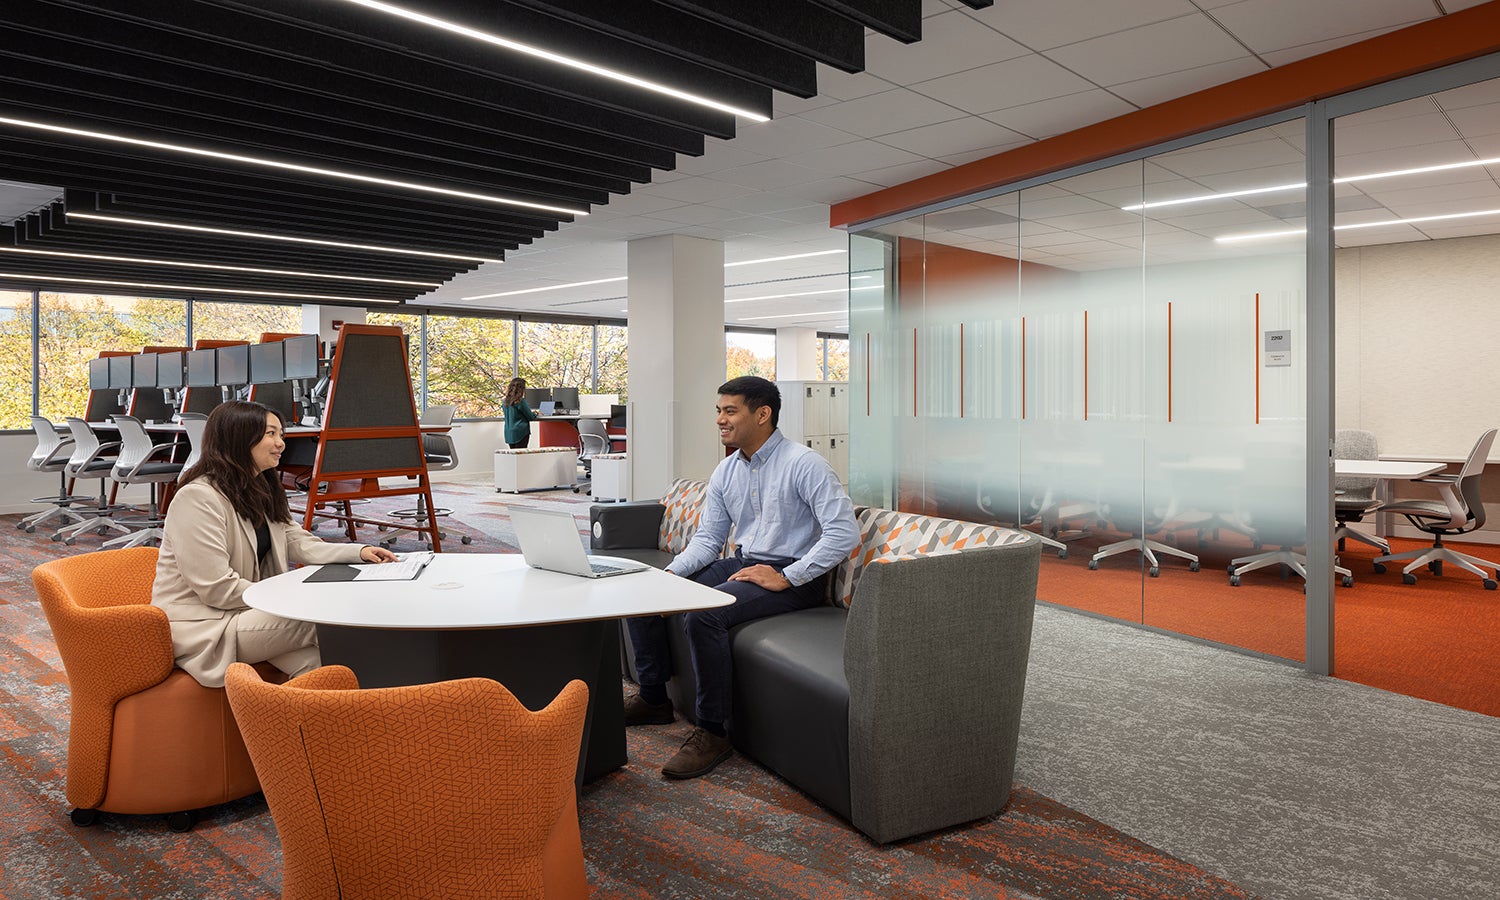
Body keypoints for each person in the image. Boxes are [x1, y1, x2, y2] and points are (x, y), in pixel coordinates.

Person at [625, 376, 859, 779]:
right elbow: (709, 540)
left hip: (794, 579)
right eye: (718, 411)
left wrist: (789, 576)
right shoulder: (727, 471)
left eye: (730, 411)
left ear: (763, 414)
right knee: (647, 594)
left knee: (704, 614)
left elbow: (843, 532)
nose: (720, 419)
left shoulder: (804, 464)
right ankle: (653, 698)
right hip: (745, 563)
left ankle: (713, 732)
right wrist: (667, 577)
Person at [151, 400, 397, 688]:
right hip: (206, 625)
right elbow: (216, 588)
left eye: (281, 434)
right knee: (324, 620)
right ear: (238, 438)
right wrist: (288, 596)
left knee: (321, 666)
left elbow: (295, 539)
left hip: (245, 611)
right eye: (271, 434)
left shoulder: (259, 486)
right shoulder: (198, 498)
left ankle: (329, 728)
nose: (281, 443)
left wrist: (359, 551)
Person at [502, 377, 539, 449]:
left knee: (514, 457)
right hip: (520, 432)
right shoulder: (520, 401)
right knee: (521, 457)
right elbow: (530, 417)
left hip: (509, 433)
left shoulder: (504, 401)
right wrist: (536, 413)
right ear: (521, 389)